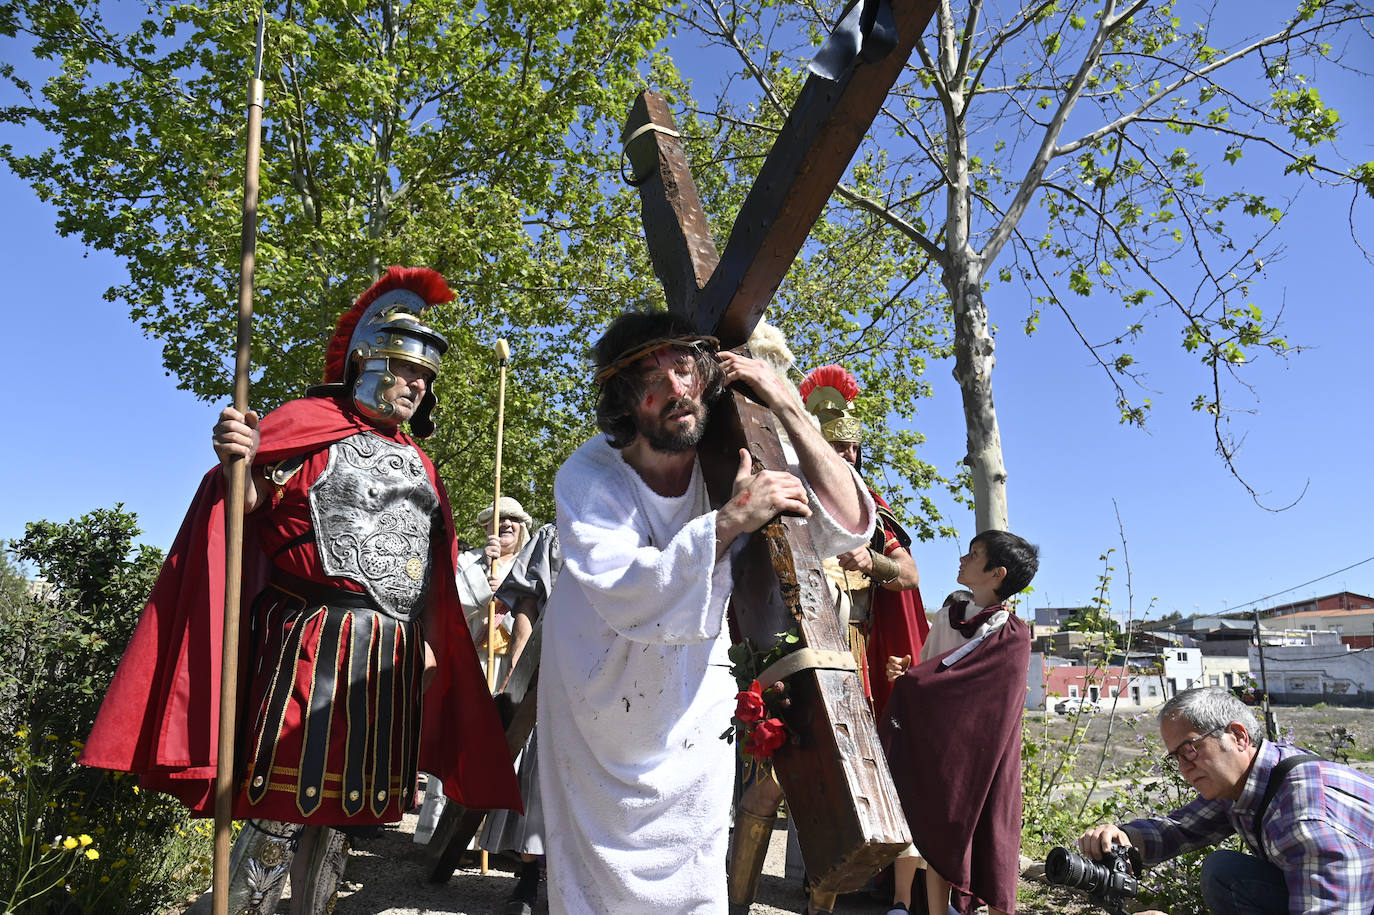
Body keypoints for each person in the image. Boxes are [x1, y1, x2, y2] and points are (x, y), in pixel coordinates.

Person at [78, 267, 520, 914]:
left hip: (389, 658)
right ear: (367, 361)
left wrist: (429, 639)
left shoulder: (421, 462)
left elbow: (430, 562)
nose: (417, 386)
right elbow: (249, 505)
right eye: (405, 369)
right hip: (311, 643)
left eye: (425, 378)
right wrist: (238, 460)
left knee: (343, 818)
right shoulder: (305, 424)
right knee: (282, 810)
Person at [536, 309, 876, 915]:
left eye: (685, 368)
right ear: (623, 402)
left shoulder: (727, 454)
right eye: (651, 379)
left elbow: (845, 526)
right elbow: (621, 585)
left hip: (693, 685)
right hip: (598, 688)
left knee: (694, 858)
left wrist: (787, 405)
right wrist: (728, 522)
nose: (675, 389)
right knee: (594, 876)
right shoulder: (589, 475)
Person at [1077, 686, 1374, 915]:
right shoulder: (1254, 779)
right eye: (1176, 758)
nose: (1183, 768)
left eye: (1190, 750)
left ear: (1238, 736)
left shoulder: (1306, 817)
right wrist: (1123, 838)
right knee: (1224, 872)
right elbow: (1180, 828)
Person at [880, 530, 1040, 915]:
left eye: (973, 555)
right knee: (939, 831)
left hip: (983, 755)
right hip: (939, 745)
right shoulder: (951, 611)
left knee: (990, 839)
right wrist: (905, 673)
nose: (962, 559)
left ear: (997, 573)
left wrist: (920, 682)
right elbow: (930, 670)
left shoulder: (1010, 633)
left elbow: (992, 702)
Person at [800, 363, 929, 722]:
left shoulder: (867, 507)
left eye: (855, 448)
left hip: (848, 644)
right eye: (839, 446)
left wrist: (872, 561)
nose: (850, 456)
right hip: (790, 638)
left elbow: (909, 574)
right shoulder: (788, 488)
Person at [478, 521, 563, 915]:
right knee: (534, 775)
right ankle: (528, 882)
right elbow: (528, 601)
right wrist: (517, 666)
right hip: (552, 666)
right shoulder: (555, 534)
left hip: (617, 677)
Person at [456, 495, 534, 686]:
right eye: (500, 517)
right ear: (486, 527)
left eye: (514, 519)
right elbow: (451, 609)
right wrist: (482, 569)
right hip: (472, 660)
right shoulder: (466, 561)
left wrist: (507, 596)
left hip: (514, 666)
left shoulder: (531, 569)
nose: (507, 523)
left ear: (522, 528)